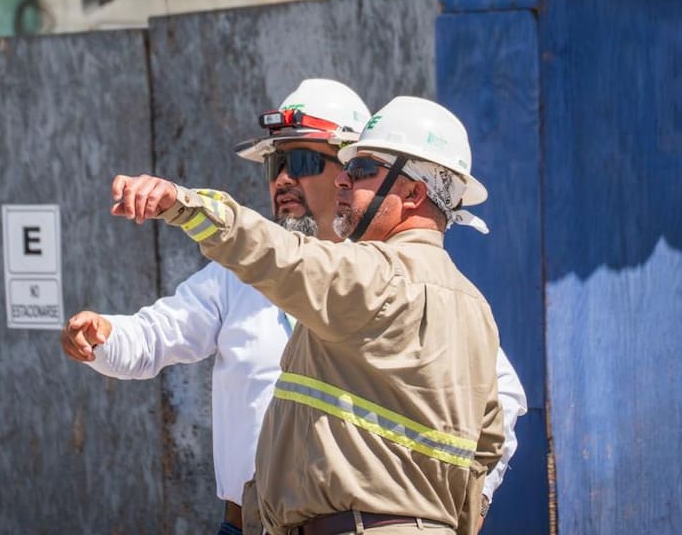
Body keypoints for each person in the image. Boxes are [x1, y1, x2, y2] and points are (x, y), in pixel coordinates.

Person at [63, 82, 526, 534]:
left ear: (413, 194)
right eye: (275, 164)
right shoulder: (470, 304)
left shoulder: (367, 275)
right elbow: (484, 438)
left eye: (305, 161)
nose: (284, 178)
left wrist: (184, 205)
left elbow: (278, 256)